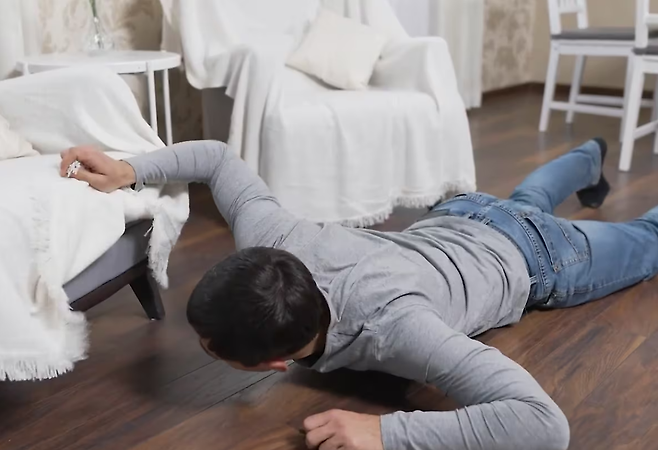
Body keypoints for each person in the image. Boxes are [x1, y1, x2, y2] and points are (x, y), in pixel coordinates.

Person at [60, 138, 658, 450]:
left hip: (539, 256)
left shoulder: (400, 329)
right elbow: (216, 158)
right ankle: (587, 157)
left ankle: (588, 163)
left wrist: (387, 433)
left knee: (645, 239)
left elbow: (543, 424)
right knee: (522, 202)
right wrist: (129, 170)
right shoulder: (275, 237)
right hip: (467, 212)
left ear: (276, 365)